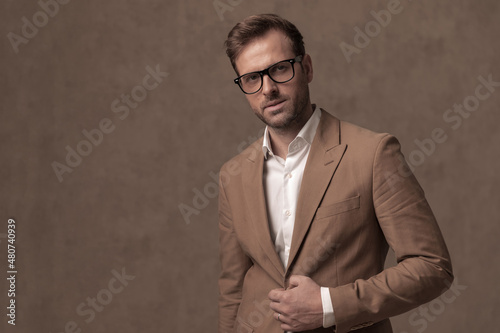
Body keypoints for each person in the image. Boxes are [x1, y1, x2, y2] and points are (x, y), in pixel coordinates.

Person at [217, 13, 453, 333]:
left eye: (280, 69)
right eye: (251, 78)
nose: (267, 88)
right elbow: (233, 291)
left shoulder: (373, 154)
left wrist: (329, 306)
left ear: (307, 68)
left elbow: (431, 268)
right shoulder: (232, 176)